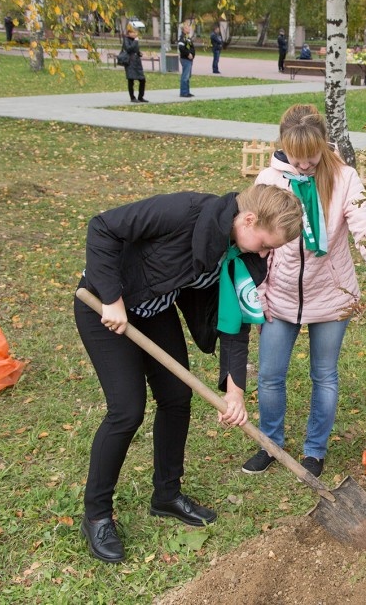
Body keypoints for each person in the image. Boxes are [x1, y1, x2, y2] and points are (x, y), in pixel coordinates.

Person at [74, 184, 304, 564]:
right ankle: (97, 515)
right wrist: (112, 300)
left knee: (177, 399)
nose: (265, 254)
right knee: (126, 410)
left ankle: (166, 495)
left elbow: (234, 324)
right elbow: (103, 227)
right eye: (265, 243)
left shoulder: (238, 256)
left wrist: (235, 392)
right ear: (248, 219)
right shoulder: (184, 211)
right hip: (104, 306)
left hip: (153, 310)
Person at [243, 105, 366, 478]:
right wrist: (260, 293)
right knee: (269, 375)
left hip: (331, 293)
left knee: (325, 375)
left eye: (311, 156)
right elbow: (257, 244)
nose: (303, 165)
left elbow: (365, 227)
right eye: (296, 157)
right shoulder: (269, 178)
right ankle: (270, 443)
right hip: (280, 295)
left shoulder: (344, 178)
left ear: (323, 144)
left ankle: (314, 451)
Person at [122, 25, 147, 103]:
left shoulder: (135, 40)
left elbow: (135, 50)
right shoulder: (126, 40)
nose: (135, 34)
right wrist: (135, 41)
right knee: (131, 80)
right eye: (133, 32)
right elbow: (129, 49)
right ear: (129, 33)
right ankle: (132, 97)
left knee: (142, 80)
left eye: (136, 32)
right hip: (130, 62)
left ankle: (140, 97)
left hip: (137, 62)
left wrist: (139, 53)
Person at [177, 21, 195, 98]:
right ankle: (183, 92)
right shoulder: (182, 38)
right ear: (183, 29)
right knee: (185, 76)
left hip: (190, 59)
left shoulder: (188, 37)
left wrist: (192, 54)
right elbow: (181, 48)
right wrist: (188, 54)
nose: (189, 28)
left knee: (188, 76)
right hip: (185, 59)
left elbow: (191, 47)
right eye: (187, 27)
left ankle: (187, 91)